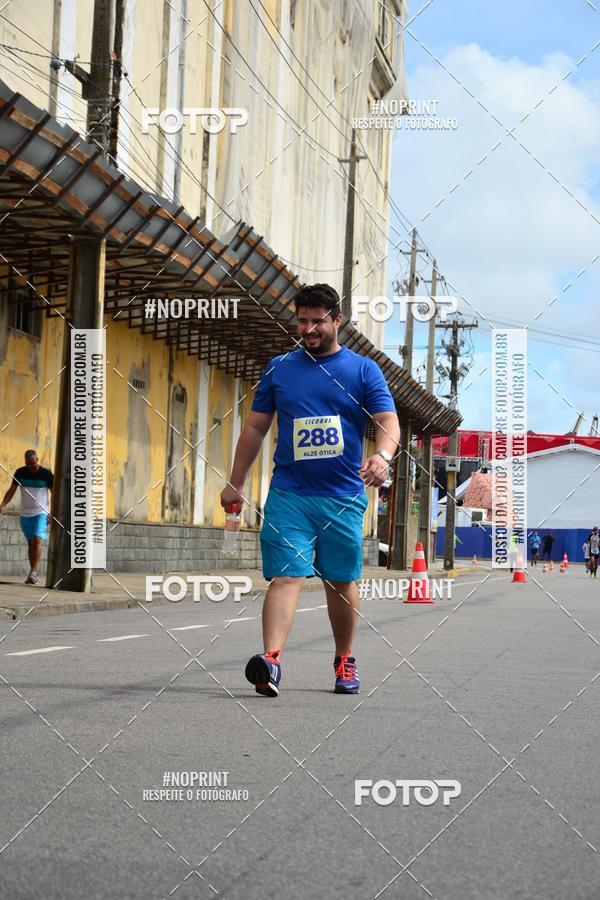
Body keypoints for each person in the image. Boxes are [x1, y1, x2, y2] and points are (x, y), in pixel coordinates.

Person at [220, 283, 400, 698]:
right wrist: (236, 481)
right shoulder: (280, 368)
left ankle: (344, 657)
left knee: (340, 580)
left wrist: (383, 456)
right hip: (289, 495)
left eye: (317, 320)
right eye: (301, 320)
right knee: (286, 576)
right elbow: (255, 428)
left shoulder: (362, 371)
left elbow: (388, 423)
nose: (308, 328)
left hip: (343, 498)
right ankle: (272, 662)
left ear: (338, 321)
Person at [0, 450, 53, 584]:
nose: (31, 466)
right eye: (28, 464)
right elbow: (11, 490)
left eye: (33, 463)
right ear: (25, 462)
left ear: (37, 460)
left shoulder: (46, 474)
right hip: (25, 513)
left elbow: (55, 493)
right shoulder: (20, 472)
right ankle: (32, 570)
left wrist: (53, 512)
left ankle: (34, 572)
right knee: (31, 543)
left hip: (41, 512)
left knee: (37, 539)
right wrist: (3, 504)